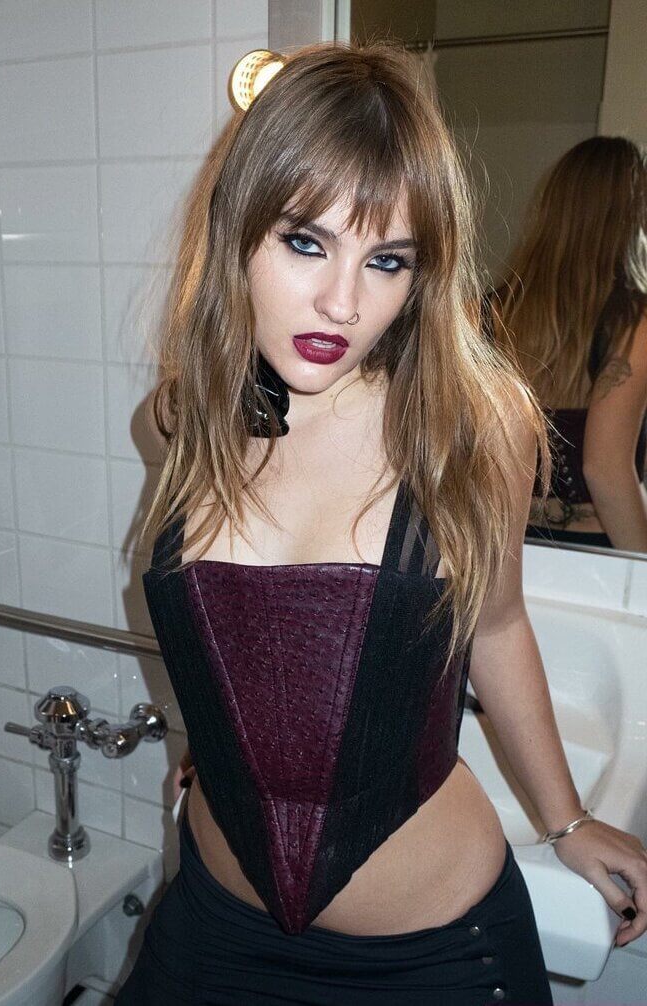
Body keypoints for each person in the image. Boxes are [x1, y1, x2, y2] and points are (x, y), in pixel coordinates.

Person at [114, 41, 647, 1005]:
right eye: (305, 242)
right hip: (212, 928)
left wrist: (567, 823)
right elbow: (219, 624)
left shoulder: (467, 432)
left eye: (387, 260)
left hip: (426, 955)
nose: (343, 302)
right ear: (237, 226)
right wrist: (228, 737)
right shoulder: (181, 418)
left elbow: (496, 628)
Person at [491, 136, 647, 552]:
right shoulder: (634, 323)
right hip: (593, 556)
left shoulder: (486, 312)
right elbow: (605, 470)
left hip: (500, 547)